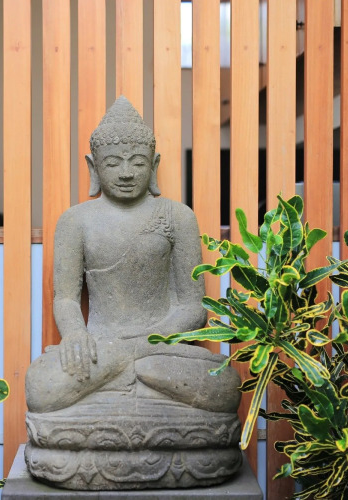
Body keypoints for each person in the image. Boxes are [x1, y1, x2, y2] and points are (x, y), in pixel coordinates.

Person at [25, 96, 240, 415]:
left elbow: (193, 308)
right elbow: (66, 298)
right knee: (40, 386)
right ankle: (138, 380)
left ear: (153, 165)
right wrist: (75, 334)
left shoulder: (177, 217)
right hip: (100, 349)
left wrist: (144, 344)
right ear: (94, 166)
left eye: (137, 163)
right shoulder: (76, 221)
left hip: (160, 349)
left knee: (227, 386)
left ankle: (122, 379)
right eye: (113, 163)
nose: (126, 173)